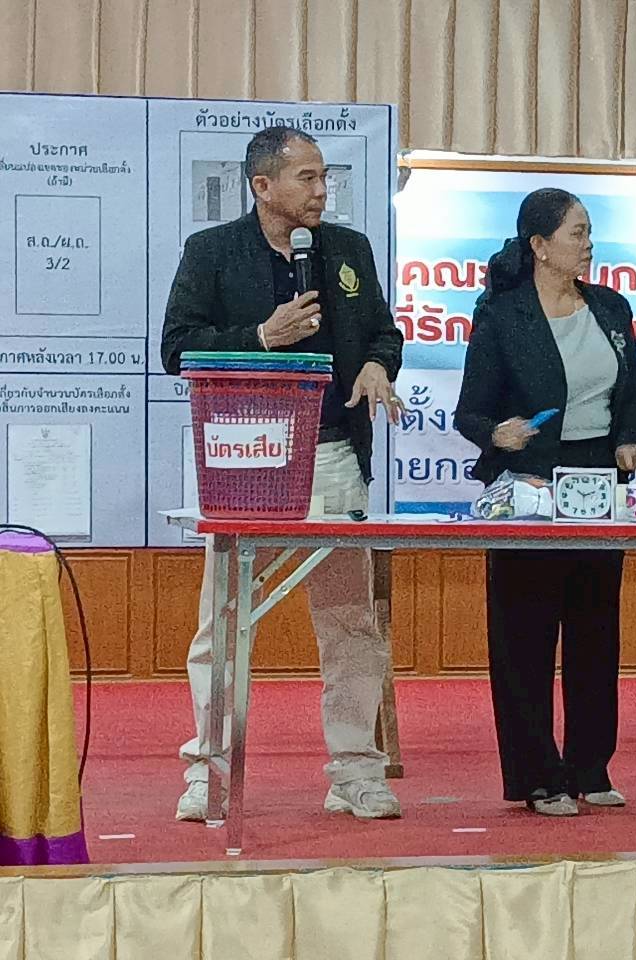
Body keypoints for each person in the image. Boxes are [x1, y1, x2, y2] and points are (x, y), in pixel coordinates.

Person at [161, 126, 406, 821]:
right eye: (307, 177)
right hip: (247, 458)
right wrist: (262, 337)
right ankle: (209, 772)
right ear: (262, 186)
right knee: (223, 620)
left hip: (332, 452)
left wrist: (376, 363)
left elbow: (383, 331)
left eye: (325, 176)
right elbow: (177, 347)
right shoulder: (211, 252)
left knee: (350, 620)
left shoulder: (348, 250)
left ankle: (355, 771)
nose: (322, 190)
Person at [455, 188, 636, 817]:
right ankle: (537, 776)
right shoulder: (502, 315)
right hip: (529, 486)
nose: (588, 243)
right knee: (525, 634)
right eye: (577, 233)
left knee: (596, 628)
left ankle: (590, 767)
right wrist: (498, 434)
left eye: (590, 231)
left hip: (598, 485)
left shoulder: (611, 307)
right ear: (540, 246)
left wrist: (627, 444)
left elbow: (630, 395)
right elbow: (470, 412)